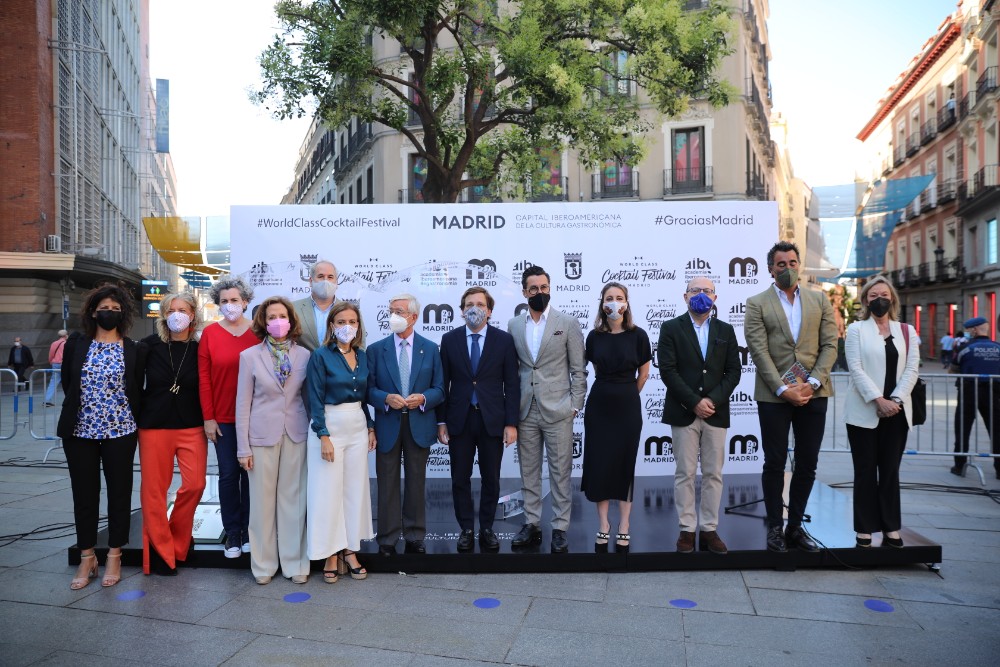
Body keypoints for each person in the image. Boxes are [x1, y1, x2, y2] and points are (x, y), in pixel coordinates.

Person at [745, 241, 838, 553]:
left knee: (807, 462)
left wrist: (811, 383)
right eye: (781, 264)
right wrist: (783, 388)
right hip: (774, 396)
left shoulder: (819, 300)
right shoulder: (756, 302)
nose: (787, 268)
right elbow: (758, 349)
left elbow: (830, 345)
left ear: (800, 266)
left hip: (815, 393)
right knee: (774, 462)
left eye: (792, 263)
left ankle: (796, 526)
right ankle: (775, 528)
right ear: (771, 268)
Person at [57, 283, 144, 589]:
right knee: (84, 495)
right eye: (104, 309)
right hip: (80, 431)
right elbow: (69, 383)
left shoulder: (133, 349)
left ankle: (115, 555)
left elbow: (136, 388)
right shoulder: (77, 344)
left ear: (124, 314)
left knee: (120, 494)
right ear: (93, 312)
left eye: (116, 309)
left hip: (121, 430)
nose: (109, 313)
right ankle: (87, 556)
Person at [507, 266, 587, 553]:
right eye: (533, 289)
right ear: (524, 292)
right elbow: (514, 370)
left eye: (544, 287)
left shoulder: (567, 322)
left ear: (550, 288)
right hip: (526, 409)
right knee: (529, 471)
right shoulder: (514, 325)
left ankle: (560, 527)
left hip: (559, 411)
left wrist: (574, 407)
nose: (539, 293)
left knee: (560, 471)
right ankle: (531, 524)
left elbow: (579, 371)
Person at [659, 277, 741, 555]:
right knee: (684, 473)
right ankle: (686, 528)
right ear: (685, 296)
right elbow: (668, 370)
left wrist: (711, 400)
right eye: (696, 290)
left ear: (715, 298)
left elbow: (734, 372)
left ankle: (709, 529)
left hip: (716, 413)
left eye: (707, 291)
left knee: (713, 474)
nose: (701, 295)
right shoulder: (671, 328)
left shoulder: (726, 330)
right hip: (683, 412)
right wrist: (694, 402)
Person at [235, 296, 311, 585]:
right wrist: (243, 447)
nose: (277, 322)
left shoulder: (304, 356)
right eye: (271, 317)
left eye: (282, 316)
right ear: (263, 322)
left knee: (293, 501)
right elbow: (243, 404)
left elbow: (307, 397)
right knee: (262, 503)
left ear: (290, 320)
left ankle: (295, 562)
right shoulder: (250, 356)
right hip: (260, 436)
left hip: (296, 432)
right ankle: (264, 564)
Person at [437, 287, 520, 553]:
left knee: (490, 478)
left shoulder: (504, 341)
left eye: (480, 304)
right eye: (470, 304)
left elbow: (512, 385)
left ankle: (486, 528)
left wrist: (511, 423)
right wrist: (441, 422)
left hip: (492, 419)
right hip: (459, 419)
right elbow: (442, 384)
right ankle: (466, 529)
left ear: (490, 310)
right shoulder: (449, 340)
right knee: (459, 477)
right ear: (462, 311)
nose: (475, 308)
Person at [844, 277, 920, 548]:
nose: (880, 299)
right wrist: (878, 399)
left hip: (898, 413)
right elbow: (855, 367)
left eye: (884, 294)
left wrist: (895, 399)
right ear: (865, 300)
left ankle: (891, 527)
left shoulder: (907, 331)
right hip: (864, 411)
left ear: (892, 299)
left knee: (890, 471)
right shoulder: (856, 330)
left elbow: (912, 369)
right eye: (874, 294)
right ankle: (864, 529)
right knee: (865, 470)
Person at [367, 293, 445, 556]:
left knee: (416, 481)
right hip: (388, 424)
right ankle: (387, 539)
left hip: (419, 424)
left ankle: (414, 536)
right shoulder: (376, 349)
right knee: (387, 482)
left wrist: (423, 398)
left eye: (399, 311)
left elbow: (440, 389)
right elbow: (369, 389)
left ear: (413, 316)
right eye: (391, 310)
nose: (393, 316)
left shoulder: (431, 348)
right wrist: (385, 398)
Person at [137, 293, 206, 576]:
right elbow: (133, 384)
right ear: (164, 315)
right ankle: (161, 551)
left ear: (193, 315)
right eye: (171, 309)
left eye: (183, 309)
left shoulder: (201, 348)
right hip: (154, 426)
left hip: (192, 425)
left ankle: (178, 542)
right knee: (154, 490)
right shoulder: (148, 346)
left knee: (195, 485)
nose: (177, 314)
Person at [306, 302, 376, 580]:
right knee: (328, 493)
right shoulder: (321, 356)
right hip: (330, 427)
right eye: (341, 321)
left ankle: (350, 549)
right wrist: (323, 435)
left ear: (359, 326)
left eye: (353, 321)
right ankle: (330, 553)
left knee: (353, 491)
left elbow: (365, 397)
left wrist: (370, 427)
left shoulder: (363, 355)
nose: (348, 326)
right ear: (332, 326)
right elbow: (315, 398)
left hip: (357, 426)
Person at [582, 282, 651, 553]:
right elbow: (594, 368)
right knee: (599, 464)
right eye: (609, 298)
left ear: (626, 302)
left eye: (619, 298)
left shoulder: (639, 335)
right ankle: (603, 523)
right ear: (602, 303)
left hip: (628, 407)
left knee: (624, 465)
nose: (614, 302)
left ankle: (624, 525)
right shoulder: (594, 336)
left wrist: (627, 394)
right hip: (599, 406)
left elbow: (643, 374)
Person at [199, 276, 259, 558]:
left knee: (251, 475)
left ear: (246, 302)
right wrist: (208, 418)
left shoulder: (259, 332)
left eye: (235, 300)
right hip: (222, 418)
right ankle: (232, 532)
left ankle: (249, 530)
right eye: (224, 301)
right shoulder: (210, 334)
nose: (230, 305)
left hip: (255, 417)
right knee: (227, 474)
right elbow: (204, 378)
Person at [950, 316, 1000, 479]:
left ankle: (960, 465)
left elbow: (953, 369)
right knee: (997, 429)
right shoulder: (998, 347)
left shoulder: (964, 348)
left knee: (963, 427)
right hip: (994, 391)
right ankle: (999, 468)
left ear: (974, 330)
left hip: (969, 390)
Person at [292, 259, 364, 351]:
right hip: (304, 365)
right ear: (311, 281)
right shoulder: (293, 309)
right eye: (321, 276)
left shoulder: (351, 311)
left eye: (330, 277)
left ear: (336, 282)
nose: (325, 281)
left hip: (339, 364)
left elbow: (360, 345)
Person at [45, 329, 68, 406]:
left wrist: (51, 361)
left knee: (53, 382)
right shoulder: (66, 343)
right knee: (69, 382)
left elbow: (51, 354)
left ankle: (47, 400)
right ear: (65, 336)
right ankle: (69, 400)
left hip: (55, 364)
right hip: (64, 364)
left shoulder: (54, 343)